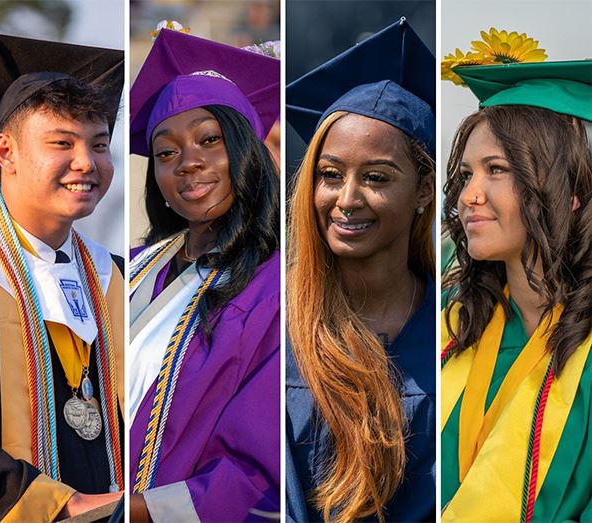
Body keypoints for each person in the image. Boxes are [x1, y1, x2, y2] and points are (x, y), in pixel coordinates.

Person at [285, 19, 437, 523]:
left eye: (375, 178)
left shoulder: (457, 327)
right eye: (329, 175)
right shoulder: (278, 325)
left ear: (423, 191)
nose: (346, 200)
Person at [127, 27, 281, 522]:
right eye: (166, 152)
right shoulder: (130, 268)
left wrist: (134, 512)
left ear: (246, 149)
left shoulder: (278, 284)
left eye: (209, 140)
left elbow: (257, 461)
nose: (187, 163)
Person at [0, 33, 126, 522]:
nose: (86, 162)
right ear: (6, 152)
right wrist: (57, 505)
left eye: (99, 145)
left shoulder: (115, 276)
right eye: (62, 143)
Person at [440, 48, 592, 521]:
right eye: (466, 174)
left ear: (569, 190)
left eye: (497, 169)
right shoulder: (453, 319)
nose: (469, 195)